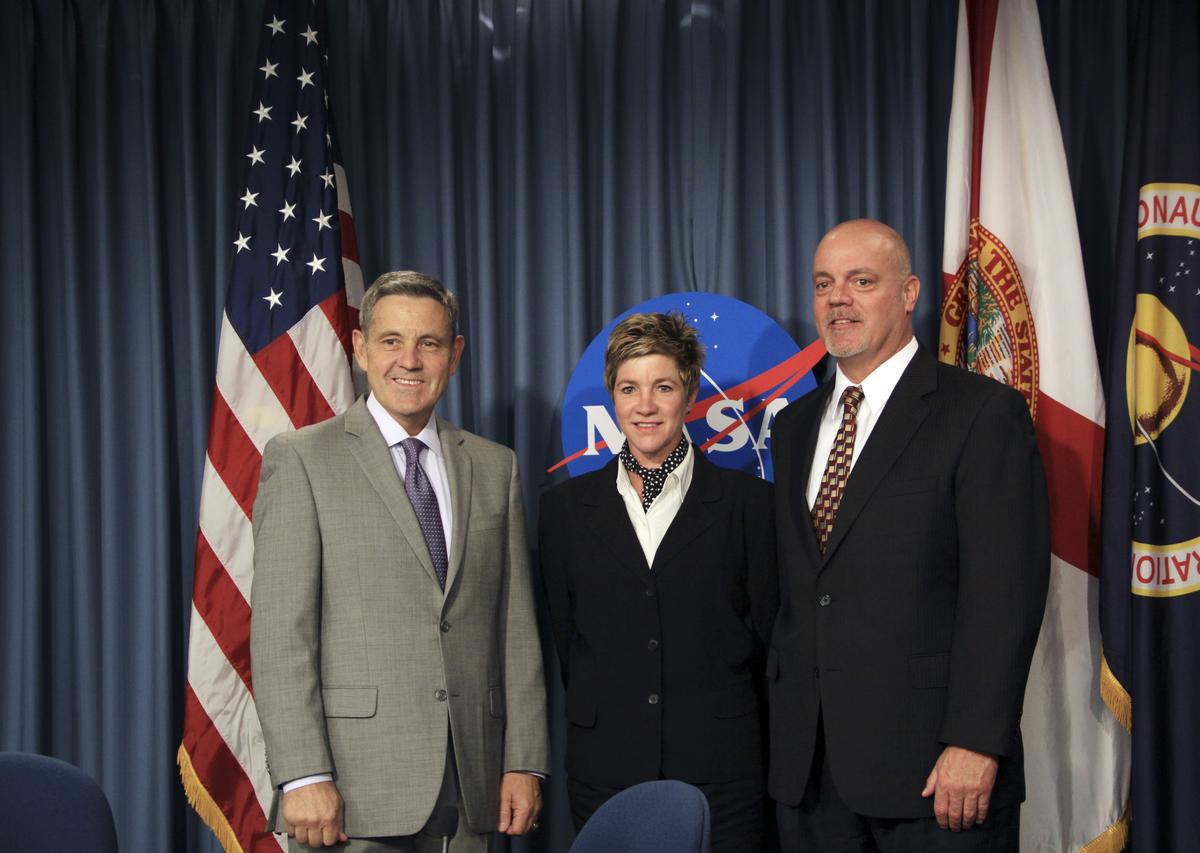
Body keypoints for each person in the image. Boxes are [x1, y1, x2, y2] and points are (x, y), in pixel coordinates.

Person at [768, 220, 1050, 852]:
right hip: (810, 779)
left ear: (908, 292)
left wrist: (976, 742)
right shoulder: (792, 429)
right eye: (823, 284)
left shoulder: (980, 414)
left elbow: (1005, 596)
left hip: (935, 776)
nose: (838, 299)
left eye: (860, 281)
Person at [250, 271, 548, 852]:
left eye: (429, 343)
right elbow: (281, 637)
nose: (409, 360)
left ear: (454, 355)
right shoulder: (302, 460)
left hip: (473, 788)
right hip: (353, 794)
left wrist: (525, 760)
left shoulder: (494, 467)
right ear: (360, 349)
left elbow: (515, 629)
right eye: (391, 341)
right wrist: (304, 774)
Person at [539, 312, 778, 853]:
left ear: (689, 394)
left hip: (723, 773)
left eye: (662, 386)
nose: (645, 405)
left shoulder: (749, 507)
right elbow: (568, 640)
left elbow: (769, 641)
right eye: (629, 388)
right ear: (612, 398)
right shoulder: (564, 512)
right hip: (606, 771)